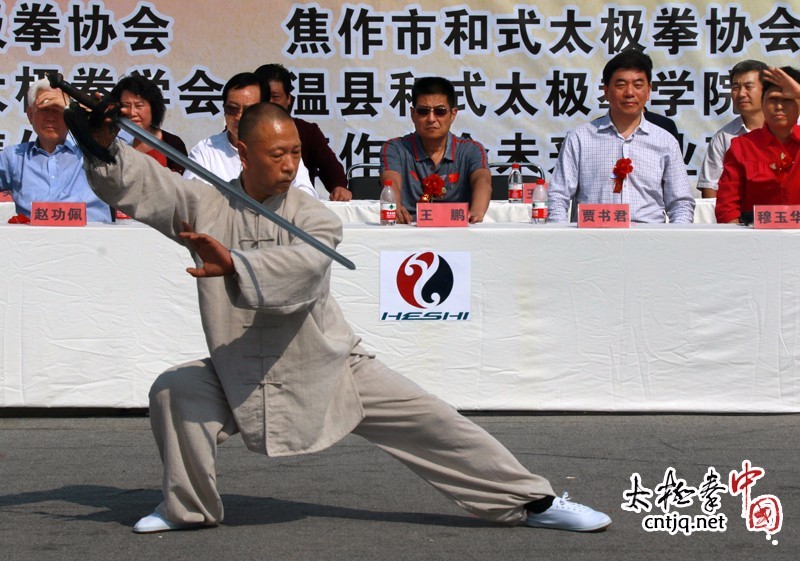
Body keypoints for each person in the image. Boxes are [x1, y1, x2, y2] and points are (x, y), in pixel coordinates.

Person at [81, 101, 611, 535]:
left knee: (435, 423)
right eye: (277, 154)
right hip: (236, 366)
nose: (290, 164)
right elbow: (148, 187)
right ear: (242, 151)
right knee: (176, 390)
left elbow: (304, 268)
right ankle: (188, 508)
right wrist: (103, 145)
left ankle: (534, 500)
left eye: (295, 152)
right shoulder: (205, 203)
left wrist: (235, 264)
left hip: (327, 363)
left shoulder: (313, 213)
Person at [547, 50, 695, 224]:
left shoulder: (665, 141)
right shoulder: (579, 138)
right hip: (592, 241)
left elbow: (681, 204)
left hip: (650, 242)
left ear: (648, 91)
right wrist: (561, 239)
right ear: (606, 91)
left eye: (638, 85)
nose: (629, 93)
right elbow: (558, 196)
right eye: (621, 85)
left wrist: (674, 241)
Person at [184, 72, 318, 199]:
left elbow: (307, 197)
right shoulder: (205, 151)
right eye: (232, 109)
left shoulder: (283, 150)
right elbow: (191, 199)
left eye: (249, 110)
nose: (239, 117)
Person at [379, 77, 492, 224]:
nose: (431, 118)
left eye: (440, 111)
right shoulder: (395, 148)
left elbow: (482, 180)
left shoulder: (472, 150)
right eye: (423, 111)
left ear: (453, 114)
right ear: (413, 114)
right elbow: (390, 181)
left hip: (459, 230)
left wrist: (477, 211)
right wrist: (395, 205)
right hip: (409, 228)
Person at [0, 78, 111, 222]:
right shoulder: (14, 157)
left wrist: (93, 115)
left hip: (92, 240)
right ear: (30, 115)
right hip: (34, 241)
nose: (51, 118)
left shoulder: (94, 151)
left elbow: (127, 141)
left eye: (58, 110)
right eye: (45, 109)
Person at [254, 63, 352, 201]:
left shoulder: (306, 131)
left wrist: (339, 186)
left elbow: (330, 167)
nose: (269, 103)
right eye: (264, 97)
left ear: (288, 98)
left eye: (275, 97)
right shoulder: (243, 132)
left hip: (296, 209)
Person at [715, 66, 800, 224]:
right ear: (762, 103)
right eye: (773, 99)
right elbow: (727, 208)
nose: (779, 106)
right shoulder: (741, 146)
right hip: (755, 242)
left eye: (788, 100)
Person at [697, 60, 767, 199]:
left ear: (765, 90)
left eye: (748, 87)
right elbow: (710, 188)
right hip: (735, 218)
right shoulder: (724, 137)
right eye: (735, 88)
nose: (741, 94)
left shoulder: (786, 131)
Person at [110, 74, 188, 174]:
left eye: (139, 106)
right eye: (126, 106)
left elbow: (181, 185)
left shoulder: (172, 144)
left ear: (153, 108)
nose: (132, 112)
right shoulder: (112, 141)